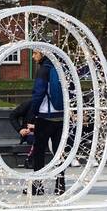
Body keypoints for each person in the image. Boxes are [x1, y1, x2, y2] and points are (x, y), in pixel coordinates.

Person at [20, 50, 67, 195]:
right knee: (59, 153)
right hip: (61, 117)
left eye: (35, 53)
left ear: (44, 54)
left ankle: (37, 185)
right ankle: (60, 186)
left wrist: (32, 115)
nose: (33, 57)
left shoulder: (43, 71)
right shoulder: (61, 68)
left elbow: (38, 94)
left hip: (45, 117)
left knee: (39, 152)